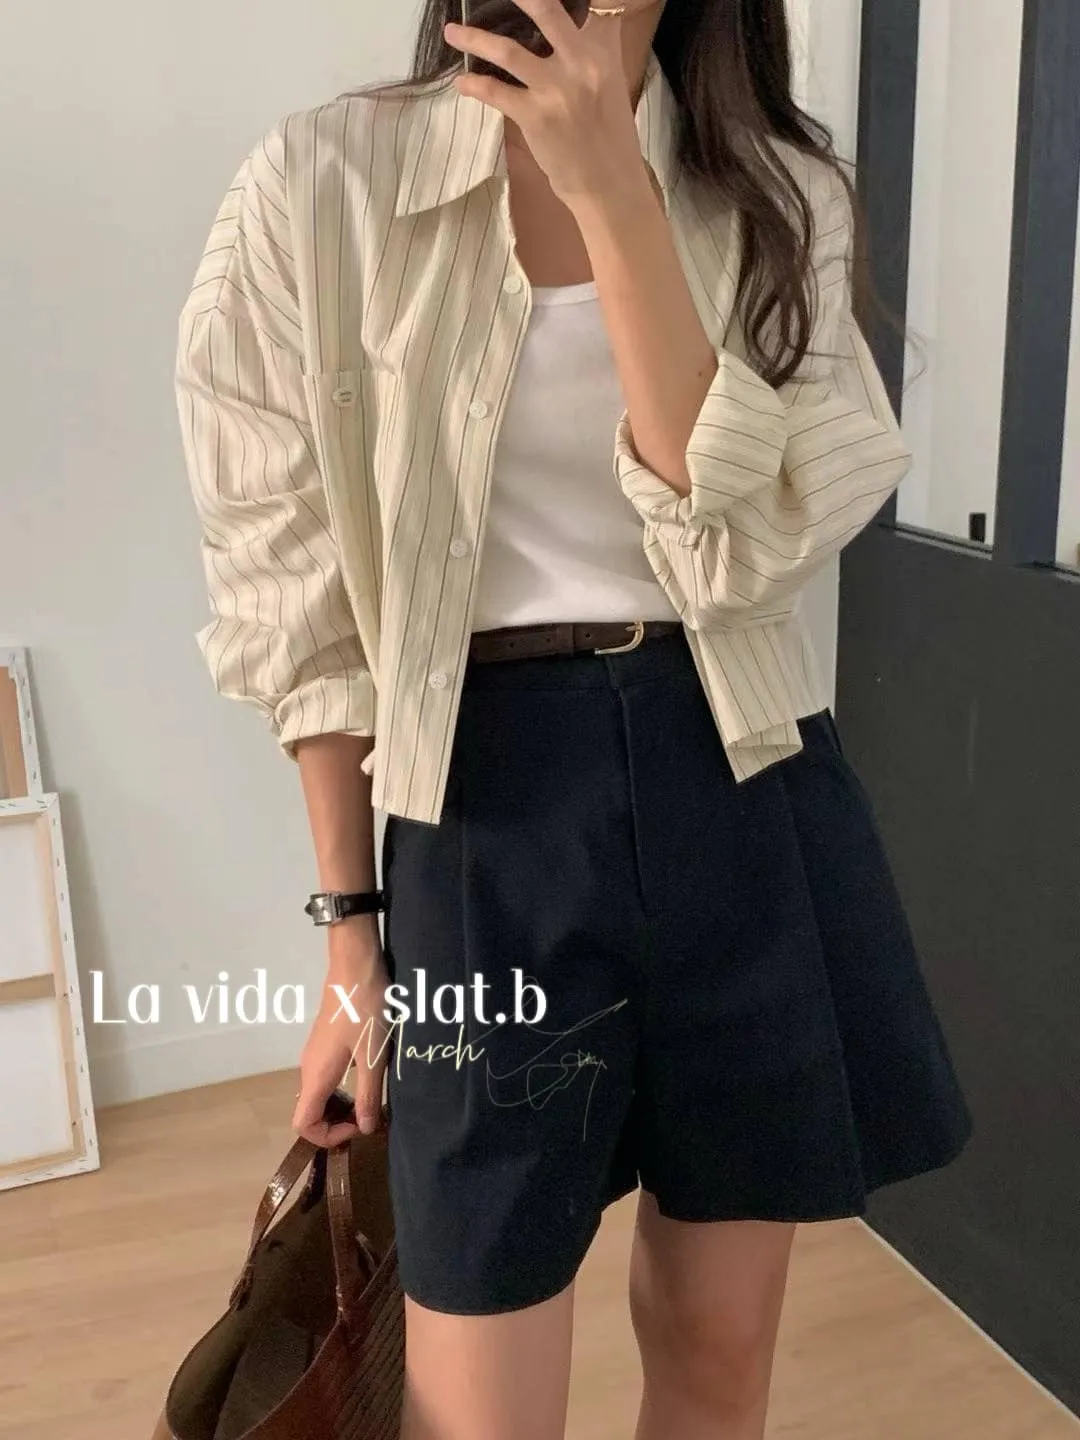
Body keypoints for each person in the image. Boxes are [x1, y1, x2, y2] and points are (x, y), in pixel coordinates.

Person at [174, 2, 974, 1436]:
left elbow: (738, 547)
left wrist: (614, 191)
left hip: (743, 784)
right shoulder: (323, 179)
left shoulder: (778, 191)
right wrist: (351, 933)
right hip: (484, 812)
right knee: (474, 1393)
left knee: (717, 1360)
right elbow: (294, 596)